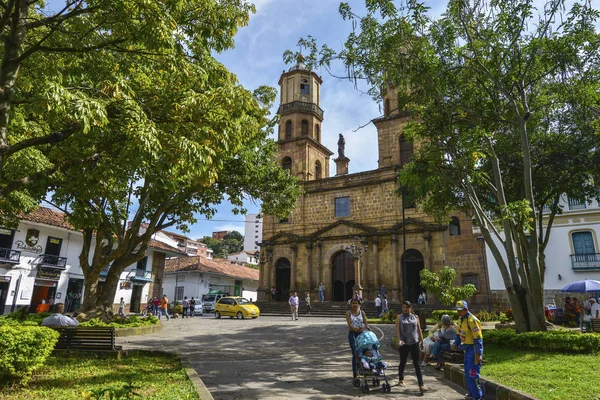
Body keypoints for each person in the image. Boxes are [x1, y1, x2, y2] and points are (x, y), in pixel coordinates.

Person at [452, 300, 483, 400]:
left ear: (466, 309)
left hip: (473, 349)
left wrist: (479, 353)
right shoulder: (460, 319)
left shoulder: (472, 320)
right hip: (466, 348)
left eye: (460, 311)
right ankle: (471, 392)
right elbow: (458, 333)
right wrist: (455, 344)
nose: (458, 313)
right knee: (467, 372)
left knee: (473, 373)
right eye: (457, 311)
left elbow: (478, 338)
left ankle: (477, 396)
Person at [396, 300, 427, 393]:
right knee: (403, 362)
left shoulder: (415, 317)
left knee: (417, 364)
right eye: (403, 307)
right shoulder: (399, 317)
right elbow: (397, 330)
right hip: (404, 343)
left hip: (414, 342)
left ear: (411, 308)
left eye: (407, 307)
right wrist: (398, 340)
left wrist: (422, 341)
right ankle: (401, 379)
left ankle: (421, 384)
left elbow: (419, 329)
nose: (405, 309)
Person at [346, 298, 370, 380]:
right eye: (353, 303)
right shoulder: (348, 313)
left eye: (356, 303)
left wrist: (368, 328)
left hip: (362, 334)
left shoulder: (362, 313)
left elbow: (366, 323)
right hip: (352, 334)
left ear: (359, 304)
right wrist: (356, 329)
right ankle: (355, 373)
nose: (354, 305)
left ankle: (362, 369)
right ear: (351, 304)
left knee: (363, 352)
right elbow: (349, 325)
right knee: (355, 352)